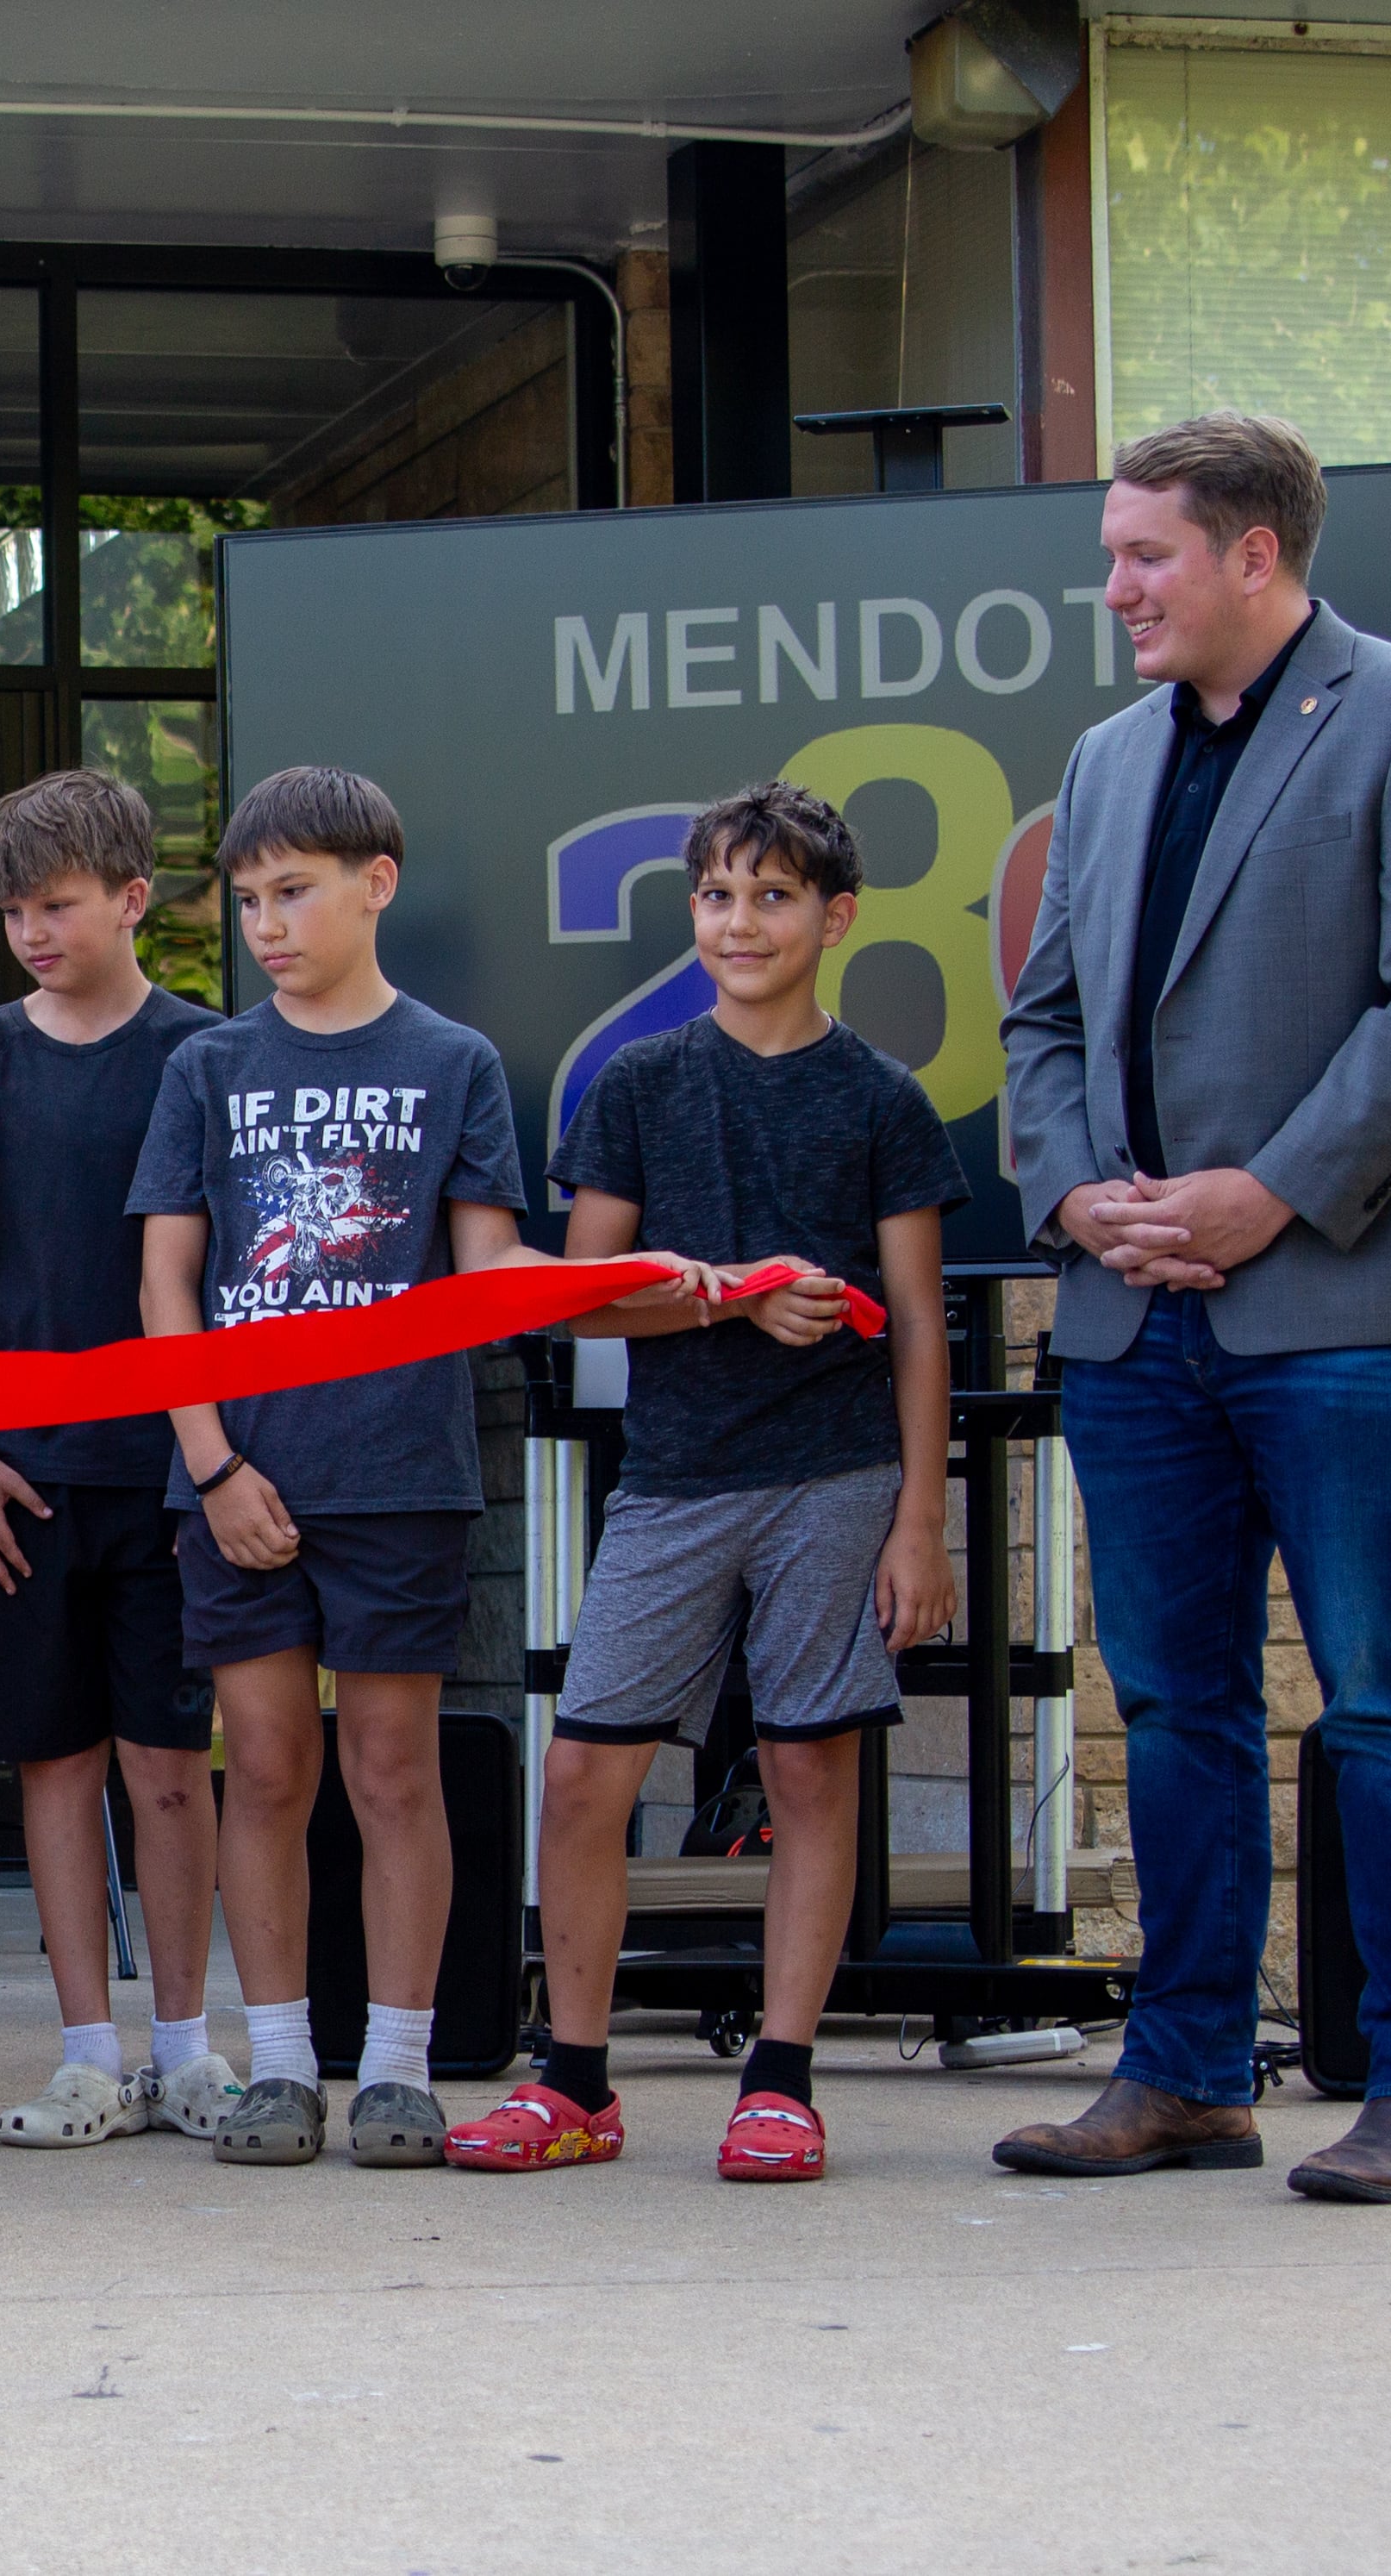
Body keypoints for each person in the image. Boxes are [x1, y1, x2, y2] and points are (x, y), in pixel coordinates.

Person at [997, 413, 1391, 2205]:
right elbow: (1046, 1023)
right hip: (1134, 1318)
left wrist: (1272, 1194)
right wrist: (1077, 1193)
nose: (1118, 590)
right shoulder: (1107, 754)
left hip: (1345, 1302)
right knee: (1173, 1707)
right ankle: (1187, 2076)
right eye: (1110, 558)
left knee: (1384, 1696)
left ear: (1254, 554)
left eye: (1146, 554)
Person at [443, 783, 960, 2184]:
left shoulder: (883, 1100)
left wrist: (920, 1515)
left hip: (836, 1476)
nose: (742, 920)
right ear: (692, 914)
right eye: (719, 895)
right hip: (673, 1478)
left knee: (805, 1764)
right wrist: (725, 1300)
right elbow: (572, 1299)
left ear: (833, 917)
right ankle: (576, 2080)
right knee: (583, 1767)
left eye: (774, 895)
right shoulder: (638, 1083)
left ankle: (781, 2079)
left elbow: (915, 1319)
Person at [128, 766, 562, 2172]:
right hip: (242, 1475)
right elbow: (166, 1287)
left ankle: (394, 2067)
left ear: (376, 883)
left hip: (400, 1473)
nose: (265, 920)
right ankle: (275, 2064)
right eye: (246, 898)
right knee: (261, 1767)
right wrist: (211, 1467)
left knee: (391, 1769)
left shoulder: (455, 1063)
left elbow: (492, 1273)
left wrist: (651, 1281)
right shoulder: (206, 1067)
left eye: (292, 889)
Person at [0, 770, 229, 2149]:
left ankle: (190, 2049)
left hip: (166, 1470)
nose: (31, 930)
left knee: (168, 1761)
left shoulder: (207, 1053)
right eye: (13, 910)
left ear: (133, 899)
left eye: (58, 904)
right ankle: (87, 2049)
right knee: (54, 1764)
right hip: (20, 1477)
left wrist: (216, 1458)